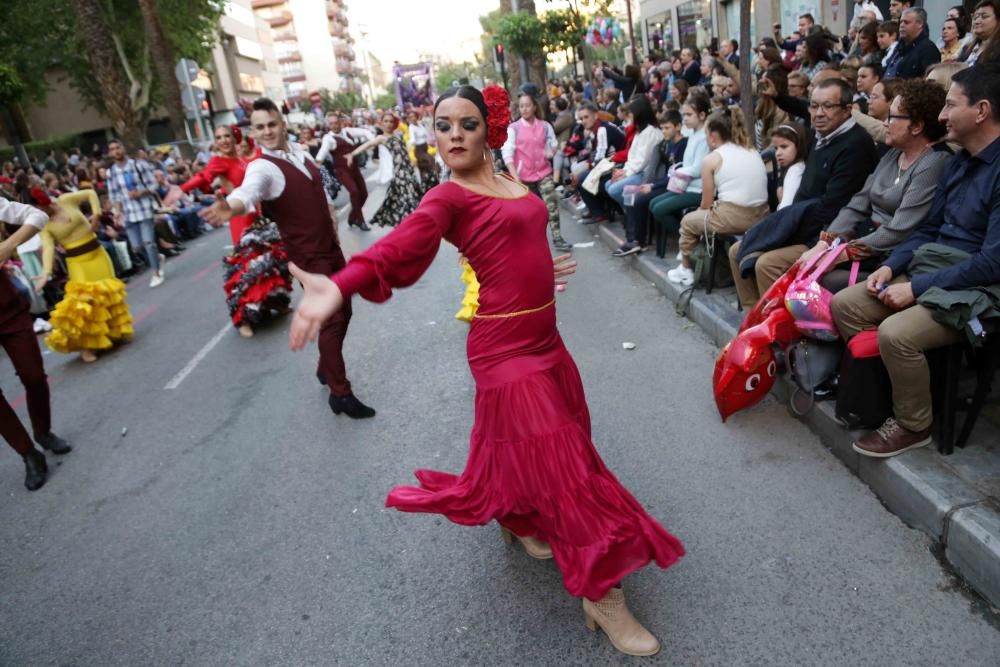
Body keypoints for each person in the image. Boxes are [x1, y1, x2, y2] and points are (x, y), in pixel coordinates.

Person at [287, 84, 684, 658]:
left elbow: (515, 239)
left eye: (466, 123)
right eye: (442, 124)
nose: (453, 134)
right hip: (502, 351)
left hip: (545, 337)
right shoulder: (447, 198)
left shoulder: (507, 182)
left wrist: (543, 268)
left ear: (487, 130)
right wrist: (339, 284)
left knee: (553, 443)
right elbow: (396, 248)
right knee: (567, 465)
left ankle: (517, 511)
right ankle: (603, 596)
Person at [832, 64, 1000, 457]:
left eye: (950, 106)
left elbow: (992, 263)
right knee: (846, 304)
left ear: (982, 111)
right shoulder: (959, 162)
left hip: (978, 286)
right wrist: (892, 267)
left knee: (897, 333)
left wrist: (916, 289)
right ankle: (887, 398)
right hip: (934, 265)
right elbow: (928, 230)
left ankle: (913, 424)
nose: (941, 117)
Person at [201, 97, 375, 419]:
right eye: (260, 127)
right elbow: (247, 192)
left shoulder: (299, 151)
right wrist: (231, 206)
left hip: (330, 245)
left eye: (271, 124)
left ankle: (326, 366)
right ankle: (341, 393)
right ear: (253, 132)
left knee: (346, 310)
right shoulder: (262, 167)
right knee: (333, 319)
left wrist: (332, 219)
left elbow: (319, 191)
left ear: (282, 123)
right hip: (308, 256)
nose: (267, 132)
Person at [729, 78, 880, 309]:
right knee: (736, 250)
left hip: (827, 235)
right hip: (801, 223)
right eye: (814, 106)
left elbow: (833, 209)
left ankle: (780, 334)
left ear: (847, 110)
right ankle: (753, 322)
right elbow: (801, 109)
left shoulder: (855, 145)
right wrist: (779, 96)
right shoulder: (822, 134)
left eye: (828, 106)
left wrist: (783, 231)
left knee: (767, 263)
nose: (819, 113)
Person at [799, 78, 950, 292]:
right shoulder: (893, 154)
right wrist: (826, 242)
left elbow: (898, 230)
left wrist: (839, 254)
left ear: (916, 126)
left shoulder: (934, 162)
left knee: (819, 280)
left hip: (890, 255)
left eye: (893, 116)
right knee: (804, 267)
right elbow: (858, 203)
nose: (885, 123)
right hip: (864, 242)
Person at [0, 199, 72, 491]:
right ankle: (28, 454)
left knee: (33, 375)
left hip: (7, 307)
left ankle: (43, 432)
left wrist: (7, 246)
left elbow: (37, 215)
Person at [668, 106, 770, 286]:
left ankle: (685, 269)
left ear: (713, 136)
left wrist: (697, 219)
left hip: (732, 218)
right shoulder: (753, 151)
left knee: (688, 221)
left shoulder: (712, 159)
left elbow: (706, 204)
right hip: (762, 217)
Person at [33, 189, 133, 362]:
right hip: (77, 262)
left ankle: (112, 334)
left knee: (107, 296)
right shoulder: (43, 224)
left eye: (40, 207)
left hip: (98, 253)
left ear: (45, 202)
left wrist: (96, 216)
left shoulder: (65, 200)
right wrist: (45, 272)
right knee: (82, 303)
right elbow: (48, 248)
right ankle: (85, 347)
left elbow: (90, 193)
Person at [501, 93, 572, 252]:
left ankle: (557, 237)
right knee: (530, 212)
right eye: (521, 106)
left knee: (551, 204)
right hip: (523, 177)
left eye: (527, 105)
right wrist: (515, 177)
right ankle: (533, 241)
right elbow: (507, 154)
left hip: (543, 173)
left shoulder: (545, 126)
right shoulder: (514, 128)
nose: (524, 109)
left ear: (534, 107)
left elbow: (553, 144)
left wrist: (550, 152)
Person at [614, 109, 688, 256]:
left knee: (639, 198)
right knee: (631, 193)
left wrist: (653, 186)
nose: (664, 132)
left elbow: (678, 175)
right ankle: (631, 239)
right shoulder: (668, 144)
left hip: (678, 185)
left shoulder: (684, 145)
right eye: (662, 128)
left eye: (667, 128)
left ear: (678, 126)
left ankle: (637, 241)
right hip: (666, 182)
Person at [649, 94, 711, 258]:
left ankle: (688, 241)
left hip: (698, 190)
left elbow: (699, 168)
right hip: (687, 185)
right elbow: (688, 163)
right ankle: (687, 239)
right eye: (684, 115)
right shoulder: (693, 135)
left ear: (702, 115)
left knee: (660, 209)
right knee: (653, 203)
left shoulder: (704, 137)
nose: (685, 119)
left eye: (689, 115)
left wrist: (679, 172)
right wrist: (679, 170)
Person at [106, 139, 165, 287]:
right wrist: (117, 212)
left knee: (148, 242)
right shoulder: (111, 172)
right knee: (137, 247)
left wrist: (141, 192)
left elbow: (154, 184)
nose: (116, 151)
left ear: (123, 148)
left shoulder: (139, 165)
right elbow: (114, 195)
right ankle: (156, 258)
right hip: (128, 213)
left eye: (118, 147)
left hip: (144, 209)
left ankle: (156, 272)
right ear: (110, 153)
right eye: (112, 149)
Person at [351, 112, 423, 228]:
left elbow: (404, 152)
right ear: (381, 123)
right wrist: (352, 154)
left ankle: (403, 222)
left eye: (391, 121)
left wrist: (411, 165)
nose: (389, 124)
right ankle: (408, 223)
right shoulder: (381, 138)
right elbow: (367, 145)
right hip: (398, 172)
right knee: (406, 196)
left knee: (406, 196)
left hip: (407, 169)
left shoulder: (398, 134)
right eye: (386, 121)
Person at [316, 111, 371, 231]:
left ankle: (352, 217)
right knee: (354, 192)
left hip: (355, 169)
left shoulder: (348, 131)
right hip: (341, 170)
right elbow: (322, 152)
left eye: (336, 123)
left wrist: (374, 142)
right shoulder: (328, 138)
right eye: (331, 124)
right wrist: (317, 164)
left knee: (364, 194)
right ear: (328, 125)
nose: (334, 125)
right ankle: (361, 221)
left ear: (340, 122)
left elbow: (366, 132)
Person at [884, 8, 941, 78]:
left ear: (920, 24)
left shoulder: (928, 49)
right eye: (901, 22)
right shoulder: (898, 47)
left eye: (906, 22)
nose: (901, 25)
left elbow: (929, 82)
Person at [770, 123, 809, 209]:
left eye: (784, 147)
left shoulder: (795, 171)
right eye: (776, 148)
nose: (778, 153)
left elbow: (785, 209)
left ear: (798, 146)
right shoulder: (796, 167)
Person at [959, 0, 1000, 65]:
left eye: (984, 17)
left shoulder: (997, 50)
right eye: (975, 18)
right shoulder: (966, 48)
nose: (977, 21)